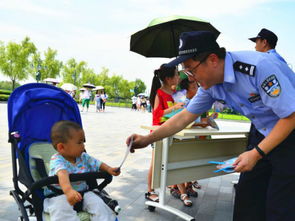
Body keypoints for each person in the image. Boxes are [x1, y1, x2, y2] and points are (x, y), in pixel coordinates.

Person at [126, 31, 295, 221]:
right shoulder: (211, 86)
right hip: (262, 131)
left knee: (281, 206)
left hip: (289, 132)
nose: (190, 77)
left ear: (213, 59)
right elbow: (184, 117)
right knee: (247, 201)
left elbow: (291, 116)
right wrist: (147, 139)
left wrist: (256, 153)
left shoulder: (258, 67)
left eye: (191, 69)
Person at [43, 120, 120, 221]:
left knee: (99, 204)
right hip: (60, 194)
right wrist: (68, 191)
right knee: (61, 209)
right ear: (62, 147)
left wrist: (109, 169)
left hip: (83, 193)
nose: (83, 145)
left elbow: (97, 163)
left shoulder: (83, 157)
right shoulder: (57, 159)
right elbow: (62, 174)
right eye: (79, 142)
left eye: (83, 141)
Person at [146, 64, 193, 207]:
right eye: (176, 75)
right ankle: (150, 191)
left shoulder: (174, 93)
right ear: (168, 78)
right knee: (155, 163)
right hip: (158, 133)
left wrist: (188, 73)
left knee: (173, 161)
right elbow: (157, 114)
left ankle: (182, 192)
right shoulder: (159, 93)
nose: (179, 78)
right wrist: (174, 108)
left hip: (171, 131)